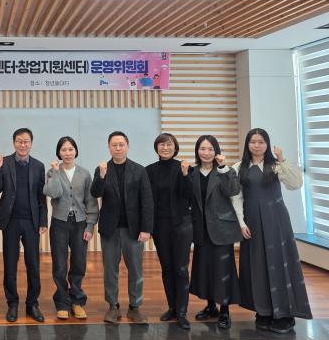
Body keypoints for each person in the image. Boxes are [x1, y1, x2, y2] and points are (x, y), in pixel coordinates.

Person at [233, 128, 312, 333]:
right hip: (251, 222)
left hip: (276, 220)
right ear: (247, 144)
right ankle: (264, 311)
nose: (257, 145)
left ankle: (285, 314)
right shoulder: (238, 167)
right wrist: (241, 223)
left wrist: (282, 159)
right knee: (256, 264)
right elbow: (236, 197)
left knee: (279, 262)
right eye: (253, 141)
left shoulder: (276, 165)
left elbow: (295, 184)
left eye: (261, 142)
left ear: (267, 144)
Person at [90, 131, 153, 325]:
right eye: (114, 145)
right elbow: (95, 192)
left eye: (121, 144)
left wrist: (146, 229)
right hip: (110, 229)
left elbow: (147, 201)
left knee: (135, 270)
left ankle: (135, 307)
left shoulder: (139, 170)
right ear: (109, 147)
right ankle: (113, 306)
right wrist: (101, 177)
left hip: (133, 230)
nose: (118, 148)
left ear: (127, 146)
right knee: (110, 270)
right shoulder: (102, 169)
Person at [0, 128, 48, 323]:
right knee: (10, 263)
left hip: (31, 221)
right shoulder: (5, 162)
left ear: (31, 143)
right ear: (14, 143)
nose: (23, 144)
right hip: (10, 221)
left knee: (33, 263)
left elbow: (41, 196)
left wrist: (43, 221)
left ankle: (32, 303)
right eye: (19, 141)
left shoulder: (38, 166)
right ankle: (12, 303)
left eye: (26, 141)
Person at [189, 135, 242, 329]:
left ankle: (225, 310)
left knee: (223, 270)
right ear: (197, 151)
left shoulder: (224, 171)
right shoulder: (192, 172)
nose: (206, 153)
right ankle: (211, 306)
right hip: (200, 229)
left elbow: (233, 190)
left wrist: (223, 168)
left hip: (221, 229)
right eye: (202, 149)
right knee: (204, 269)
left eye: (210, 149)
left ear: (216, 151)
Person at [44, 136, 97, 320]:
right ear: (58, 153)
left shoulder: (85, 174)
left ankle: (77, 301)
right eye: (63, 150)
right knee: (59, 264)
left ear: (76, 151)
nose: (67, 153)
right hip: (59, 222)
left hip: (80, 223)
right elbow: (53, 193)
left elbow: (90, 201)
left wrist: (90, 225)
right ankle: (62, 303)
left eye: (70, 149)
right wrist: (54, 172)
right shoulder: (53, 172)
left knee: (79, 263)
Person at [145, 133, 193, 329]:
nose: (165, 148)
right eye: (161, 145)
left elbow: (190, 195)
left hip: (181, 225)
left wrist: (185, 175)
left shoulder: (185, 168)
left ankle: (182, 312)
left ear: (175, 147)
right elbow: (147, 201)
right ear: (156, 147)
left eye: (169, 144)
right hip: (160, 226)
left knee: (181, 269)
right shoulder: (149, 170)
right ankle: (172, 308)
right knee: (166, 268)